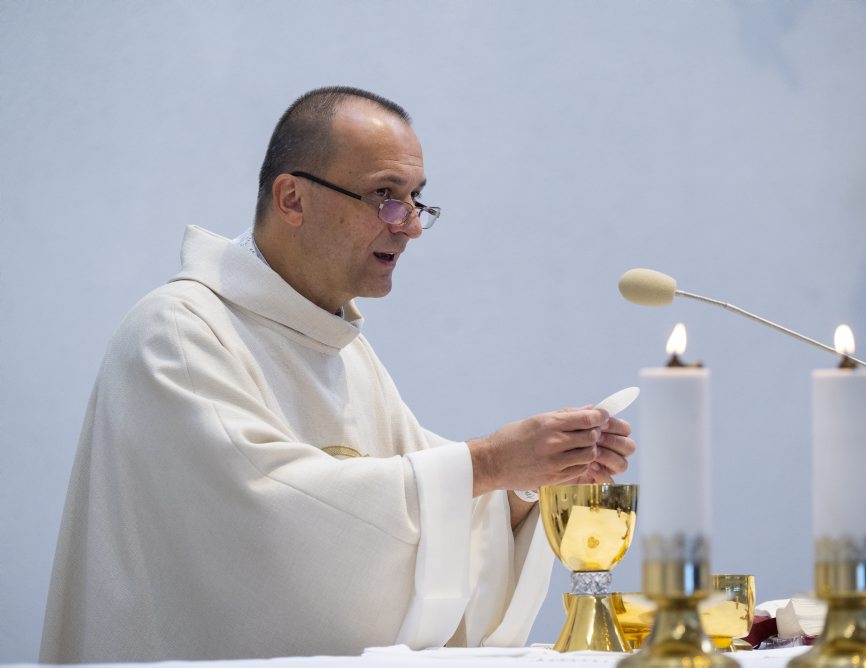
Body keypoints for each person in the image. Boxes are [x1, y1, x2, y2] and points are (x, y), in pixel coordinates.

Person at [39, 86, 635, 662]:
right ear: (292, 198)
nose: (410, 224)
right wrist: (485, 465)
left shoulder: (342, 350)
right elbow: (271, 524)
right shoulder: (180, 334)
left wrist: (522, 483)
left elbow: (424, 495)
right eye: (384, 194)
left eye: (416, 198)